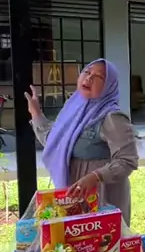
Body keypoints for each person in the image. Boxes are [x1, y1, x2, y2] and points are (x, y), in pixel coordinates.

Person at [25, 60, 138, 225]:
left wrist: (95, 177)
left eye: (99, 76)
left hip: (102, 198)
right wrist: (36, 113)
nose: (89, 78)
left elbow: (127, 160)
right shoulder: (73, 108)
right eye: (87, 72)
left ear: (109, 86)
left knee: (101, 239)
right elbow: (56, 143)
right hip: (73, 197)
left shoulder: (112, 117)